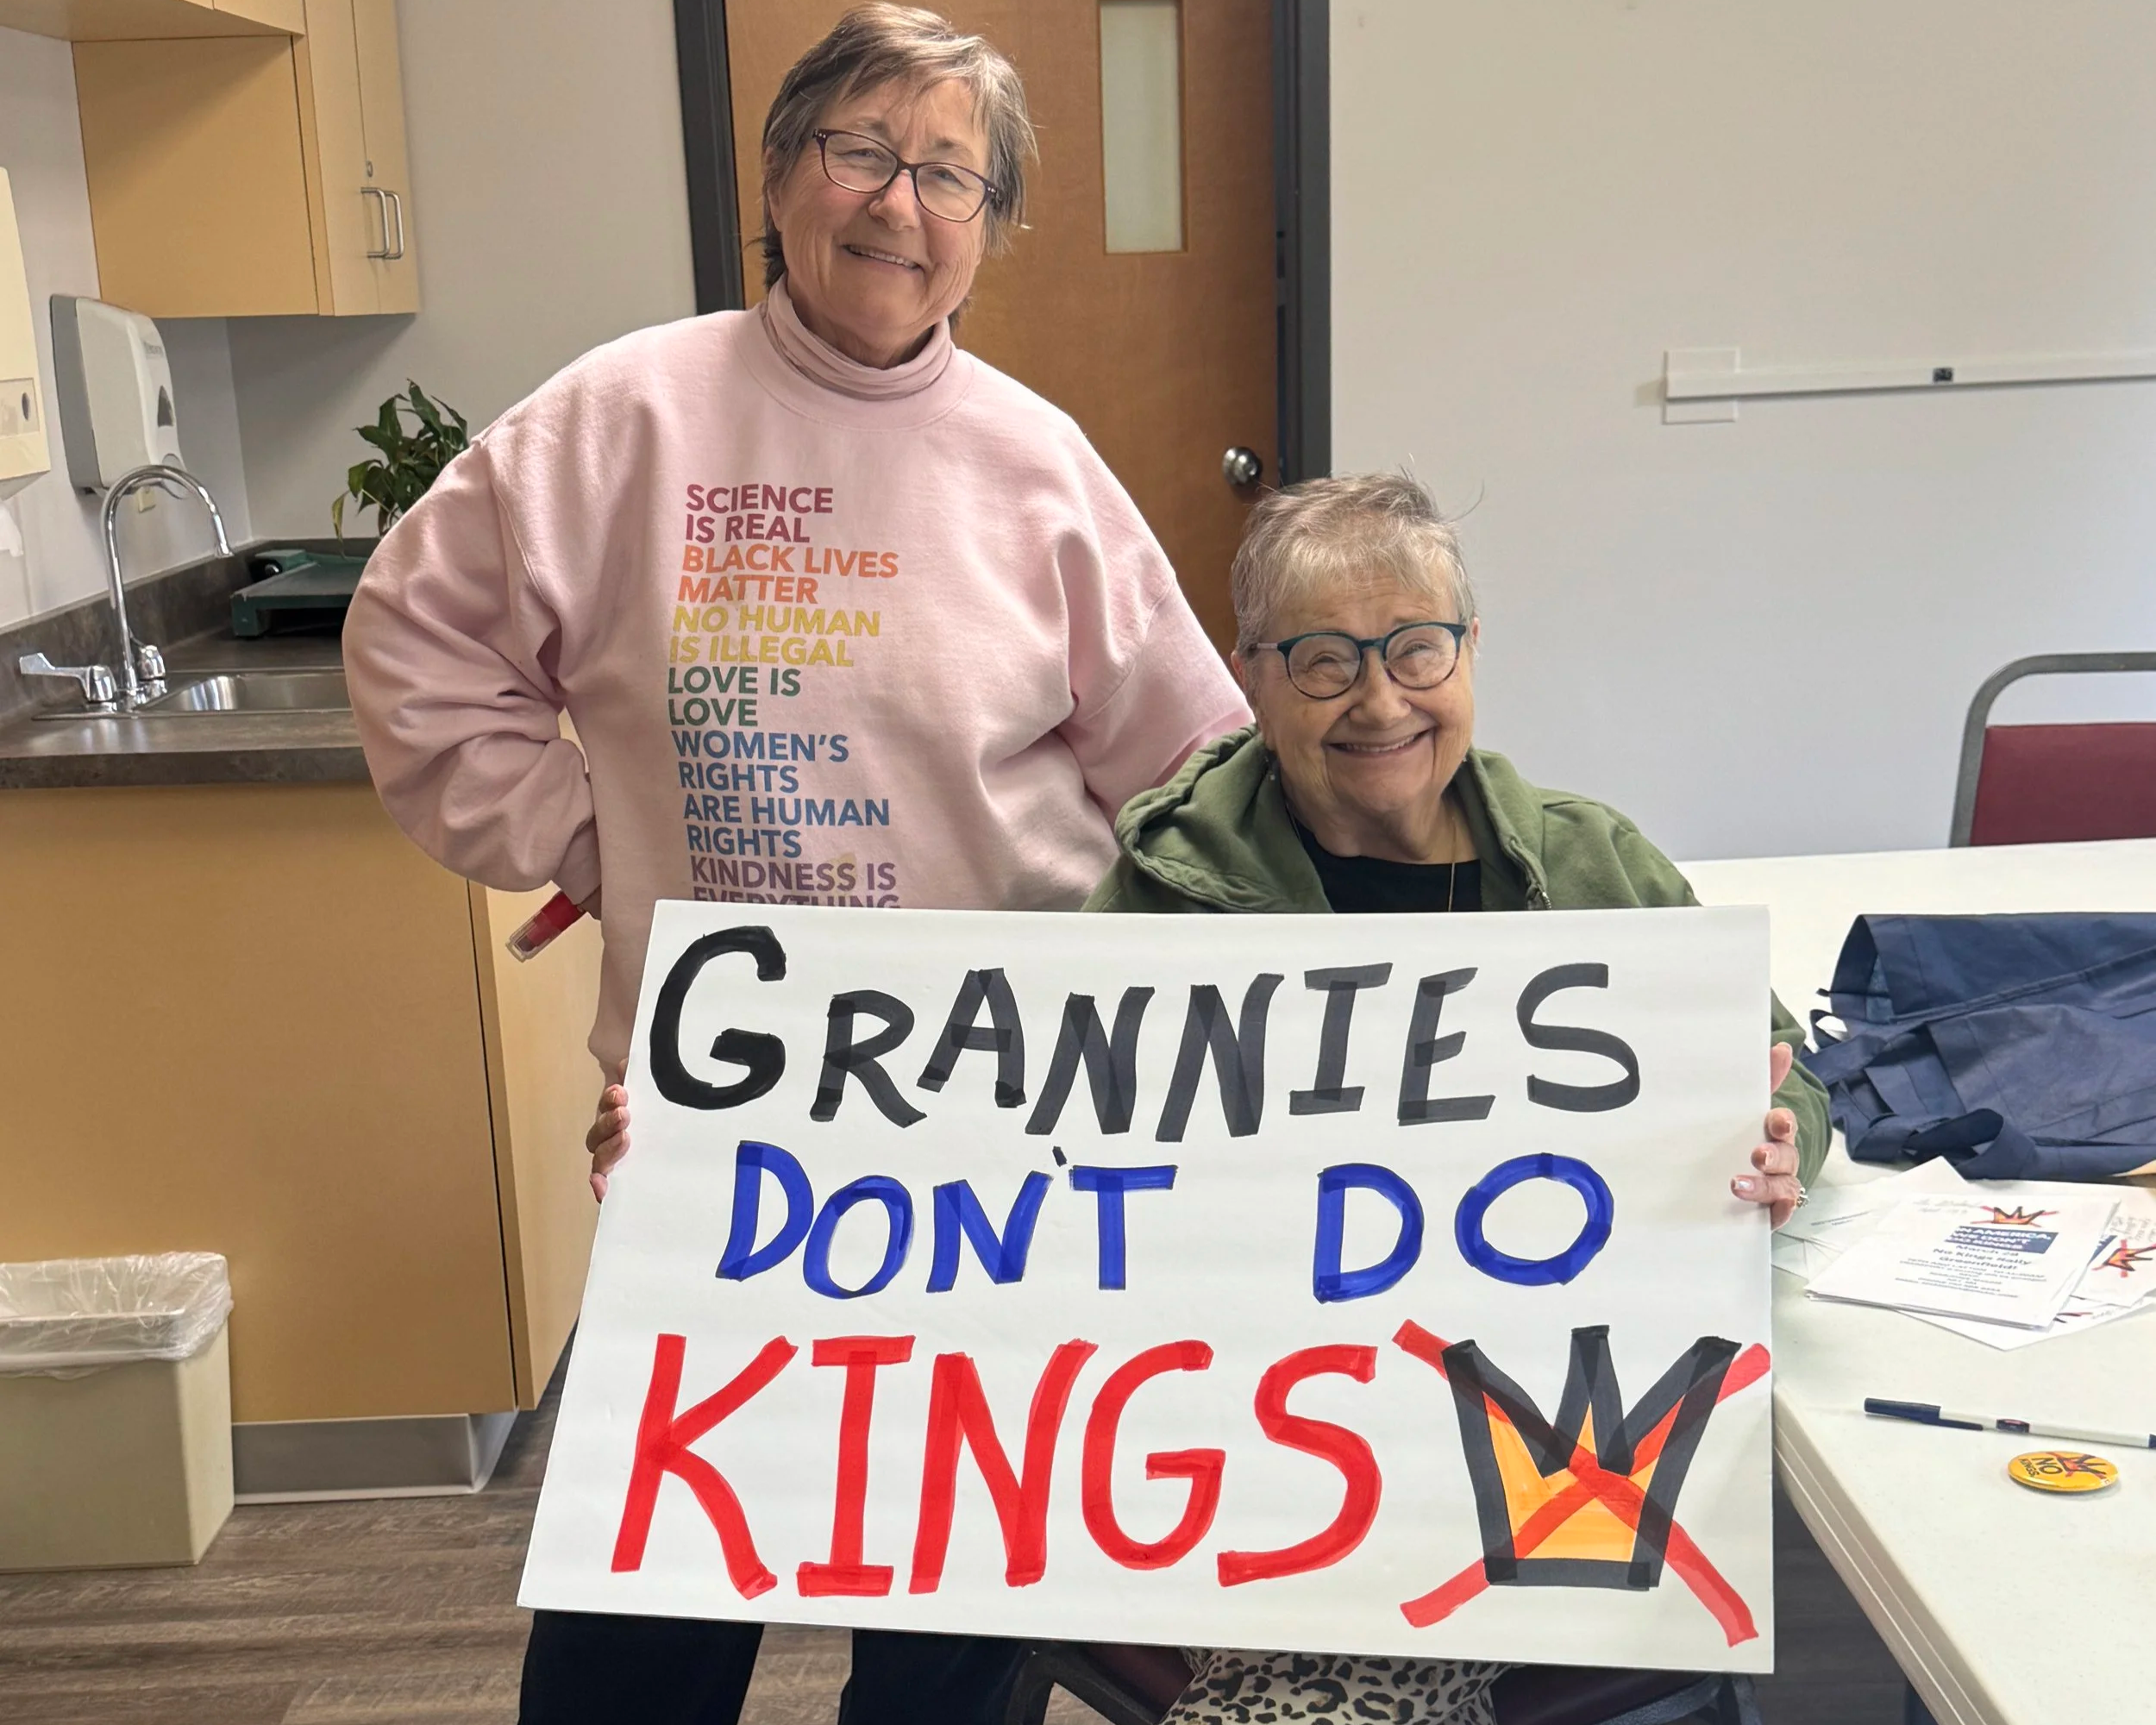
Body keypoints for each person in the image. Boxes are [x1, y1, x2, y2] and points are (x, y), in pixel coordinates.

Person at [343, 8, 1248, 1722]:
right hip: (725, 1125)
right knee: (649, 1619)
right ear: (777, 175)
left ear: (987, 224)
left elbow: (1189, 781)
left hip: (1005, 1127)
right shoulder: (621, 423)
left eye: (948, 174)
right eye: (859, 152)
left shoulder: (1038, 462)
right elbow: (410, 651)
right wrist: (589, 846)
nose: (897, 204)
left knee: (957, 1631)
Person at [1086, 471, 1827, 1725]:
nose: (1381, 700)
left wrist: (1772, 1139)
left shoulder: (1590, 863)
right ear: (1251, 677)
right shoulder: (1169, 887)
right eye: (1323, 662)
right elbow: (1030, 1142)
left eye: (1416, 649)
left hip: (1548, 1425)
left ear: (1470, 651)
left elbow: (1780, 1064)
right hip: (1265, 1437)